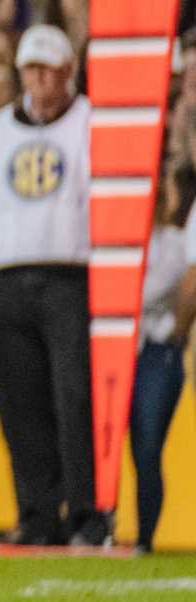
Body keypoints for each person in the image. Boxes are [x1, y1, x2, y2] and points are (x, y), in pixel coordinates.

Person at [0, 26, 101, 546]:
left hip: (70, 280)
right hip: (7, 284)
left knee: (75, 400)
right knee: (21, 405)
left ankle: (87, 513)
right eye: (30, 70)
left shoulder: (90, 123)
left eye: (48, 70)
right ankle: (38, 513)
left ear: (67, 74)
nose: (38, 81)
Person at [129, 160, 195, 553]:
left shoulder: (173, 242)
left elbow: (152, 290)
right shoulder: (112, 242)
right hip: (116, 349)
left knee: (147, 446)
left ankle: (144, 538)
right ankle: (99, 529)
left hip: (157, 350)